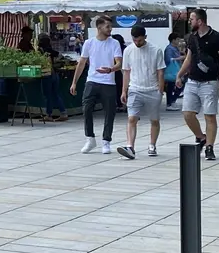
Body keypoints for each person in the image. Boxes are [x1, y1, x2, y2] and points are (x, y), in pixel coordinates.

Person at [175, 8, 219, 160]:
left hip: (210, 82)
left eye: (191, 19)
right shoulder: (192, 38)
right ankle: (200, 136)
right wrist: (180, 75)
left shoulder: (217, 38)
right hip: (192, 81)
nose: (189, 22)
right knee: (187, 113)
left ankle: (209, 147)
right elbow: (189, 58)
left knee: (209, 116)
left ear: (200, 21)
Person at [70, 17, 123, 154]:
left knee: (109, 112)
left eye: (110, 26)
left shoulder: (114, 43)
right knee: (86, 108)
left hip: (108, 82)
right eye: (107, 27)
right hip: (92, 80)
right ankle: (90, 138)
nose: (110, 29)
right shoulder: (89, 43)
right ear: (99, 28)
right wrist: (74, 82)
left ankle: (106, 141)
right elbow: (81, 63)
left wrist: (110, 69)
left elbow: (119, 63)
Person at [118, 25, 165, 159]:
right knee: (132, 118)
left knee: (154, 120)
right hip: (135, 88)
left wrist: (160, 90)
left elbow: (160, 71)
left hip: (152, 89)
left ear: (145, 37)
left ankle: (152, 144)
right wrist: (124, 91)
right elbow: (126, 72)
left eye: (139, 40)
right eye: (134, 40)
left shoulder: (156, 50)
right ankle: (130, 147)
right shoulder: (128, 50)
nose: (137, 43)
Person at [37, 32, 67, 123]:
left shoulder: (41, 50)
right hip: (55, 74)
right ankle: (63, 113)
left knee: (47, 95)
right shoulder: (51, 50)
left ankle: (48, 114)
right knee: (56, 94)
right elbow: (59, 56)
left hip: (47, 74)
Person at [163, 34, 184, 111]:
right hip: (171, 70)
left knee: (175, 86)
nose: (179, 41)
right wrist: (179, 58)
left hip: (176, 69)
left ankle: (172, 101)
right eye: (177, 40)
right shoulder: (169, 49)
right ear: (173, 40)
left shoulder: (175, 48)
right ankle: (169, 103)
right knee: (171, 86)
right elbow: (169, 59)